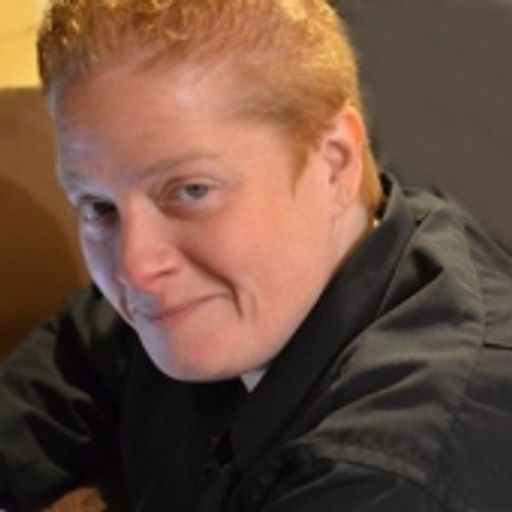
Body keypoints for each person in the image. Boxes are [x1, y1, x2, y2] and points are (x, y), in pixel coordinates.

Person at [1, 0, 512, 510]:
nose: (134, 268)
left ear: (335, 163)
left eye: (192, 190)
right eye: (99, 208)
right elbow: (41, 396)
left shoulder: (392, 471)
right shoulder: (207, 296)